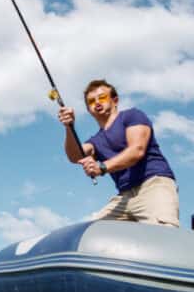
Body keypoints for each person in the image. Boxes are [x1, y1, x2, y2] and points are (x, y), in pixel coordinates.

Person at [58, 79, 179, 227]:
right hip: (124, 197)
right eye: (91, 101)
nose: (97, 103)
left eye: (102, 98)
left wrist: (101, 167)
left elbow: (137, 151)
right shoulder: (96, 140)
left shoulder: (132, 116)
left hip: (153, 185)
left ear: (115, 100)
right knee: (91, 232)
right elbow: (74, 156)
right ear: (89, 110)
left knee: (164, 235)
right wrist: (69, 127)